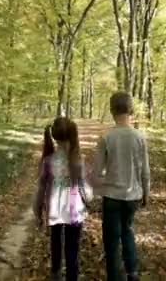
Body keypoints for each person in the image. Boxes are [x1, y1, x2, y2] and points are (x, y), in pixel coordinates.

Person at [91, 91, 150, 281]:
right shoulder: (140, 137)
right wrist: (146, 193)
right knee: (128, 232)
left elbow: (97, 172)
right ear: (131, 109)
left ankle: (114, 277)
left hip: (111, 197)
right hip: (133, 196)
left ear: (111, 110)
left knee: (111, 242)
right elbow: (145, 171)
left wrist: (93, 192)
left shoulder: (106, 138)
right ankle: (133, 274)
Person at [33, 117, 93, 281]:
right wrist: (89, 200)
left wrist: (37, 208)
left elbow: (41, 187)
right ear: (73, 135)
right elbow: (84, 187)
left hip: (54, 208)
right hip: (74, 209)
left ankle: (55, 273)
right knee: (73, 246)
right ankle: (72, 276)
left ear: (54, 136)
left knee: (55, 240)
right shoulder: (78, 159)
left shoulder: (48, 161)